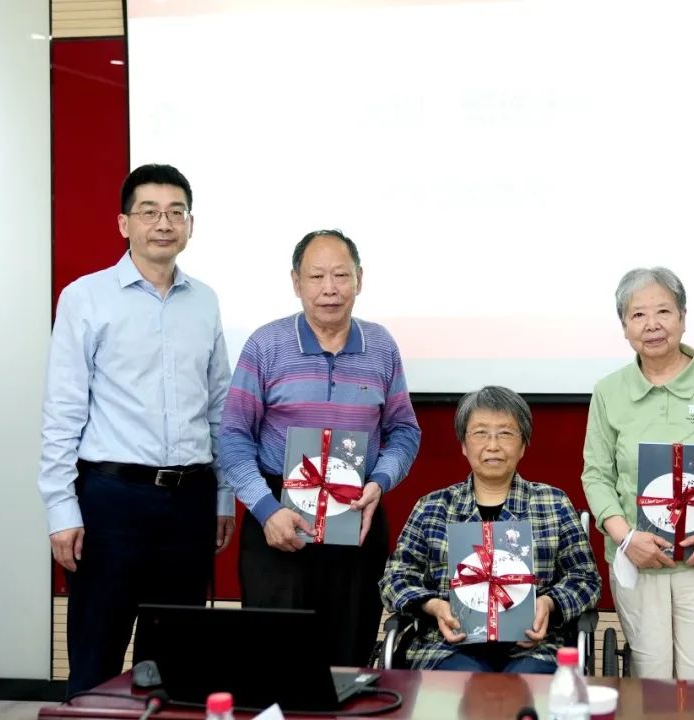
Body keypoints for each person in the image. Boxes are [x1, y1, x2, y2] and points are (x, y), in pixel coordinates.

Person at [37, 164, 234, 696]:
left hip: (190, 499)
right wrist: (61, 509)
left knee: (174, 663)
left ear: (190, 224)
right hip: (111, 500)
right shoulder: (85, 297)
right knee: (96, 658)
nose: (163, 223)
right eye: (149, 212)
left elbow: (219, 407)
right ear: (124, 223)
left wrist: (222, 498)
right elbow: (62, 410)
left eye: (176, 212)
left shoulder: (206, 300)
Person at [219, 229, 420, 667]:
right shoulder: (265, 345)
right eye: (316, 276)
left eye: (341, 275)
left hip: (356, 516)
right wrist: (266, 510)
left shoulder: (382, 346)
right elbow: (233, 436)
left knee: (348, 660)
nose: (330, 288)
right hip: (278, 521)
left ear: (359, 279)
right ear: (296, 282)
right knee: (276, 664)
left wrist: (380, 481)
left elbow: (405, 431)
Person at [581, 267, 694, 680]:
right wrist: (626, 538)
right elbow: (596, 474)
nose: (652, 324)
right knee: (651, 682)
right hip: (638, 559)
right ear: (624, 327)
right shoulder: (609, 391)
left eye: (663, 311)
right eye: (638, 315)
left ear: (683, 317)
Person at [379, 386, 601, 672]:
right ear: (464, 444)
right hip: (446, 644)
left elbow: (585, 579)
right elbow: (395, 578)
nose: (493, 445)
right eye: (480, 433)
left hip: (538, 645)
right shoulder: (432, 507)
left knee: (524, 685)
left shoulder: (553, 503)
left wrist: (548, 603)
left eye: (505, 433)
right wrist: (432, 606)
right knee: (464, 684)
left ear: (523, 445)